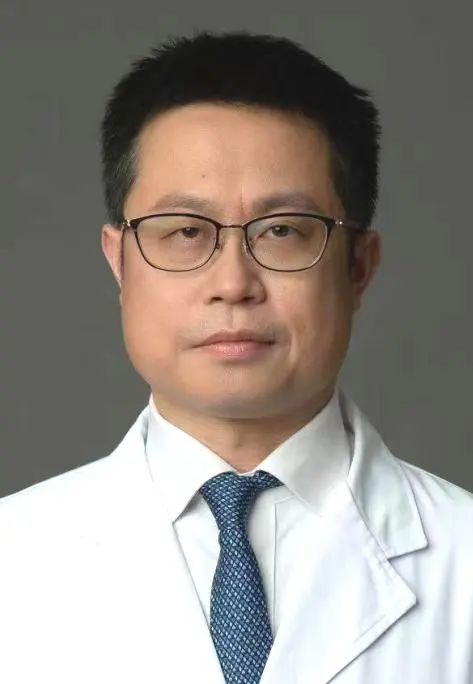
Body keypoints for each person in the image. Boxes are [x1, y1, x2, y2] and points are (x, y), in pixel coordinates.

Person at [1, 29, 472, 684]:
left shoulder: (462, 558)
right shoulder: (14, 558)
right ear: (119, 263)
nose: (232, 283)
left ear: (358, 268)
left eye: (281, 231)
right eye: (184, 232)